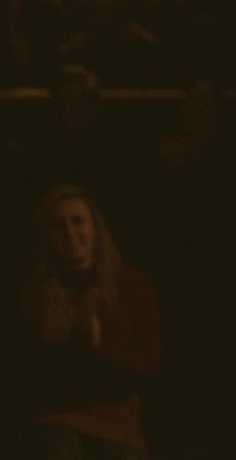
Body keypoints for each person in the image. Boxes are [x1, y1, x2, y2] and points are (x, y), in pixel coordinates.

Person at [9, 185, 160, 459]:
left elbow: (148, 363)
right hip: (56, 412)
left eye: (78, 222)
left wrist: (99, 350)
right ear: (47, 237)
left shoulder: (129, 284)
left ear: (95, 229)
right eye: (59, 226)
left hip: (115, 411)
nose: (70, 233)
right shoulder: (36, 293)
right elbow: (26, 369)